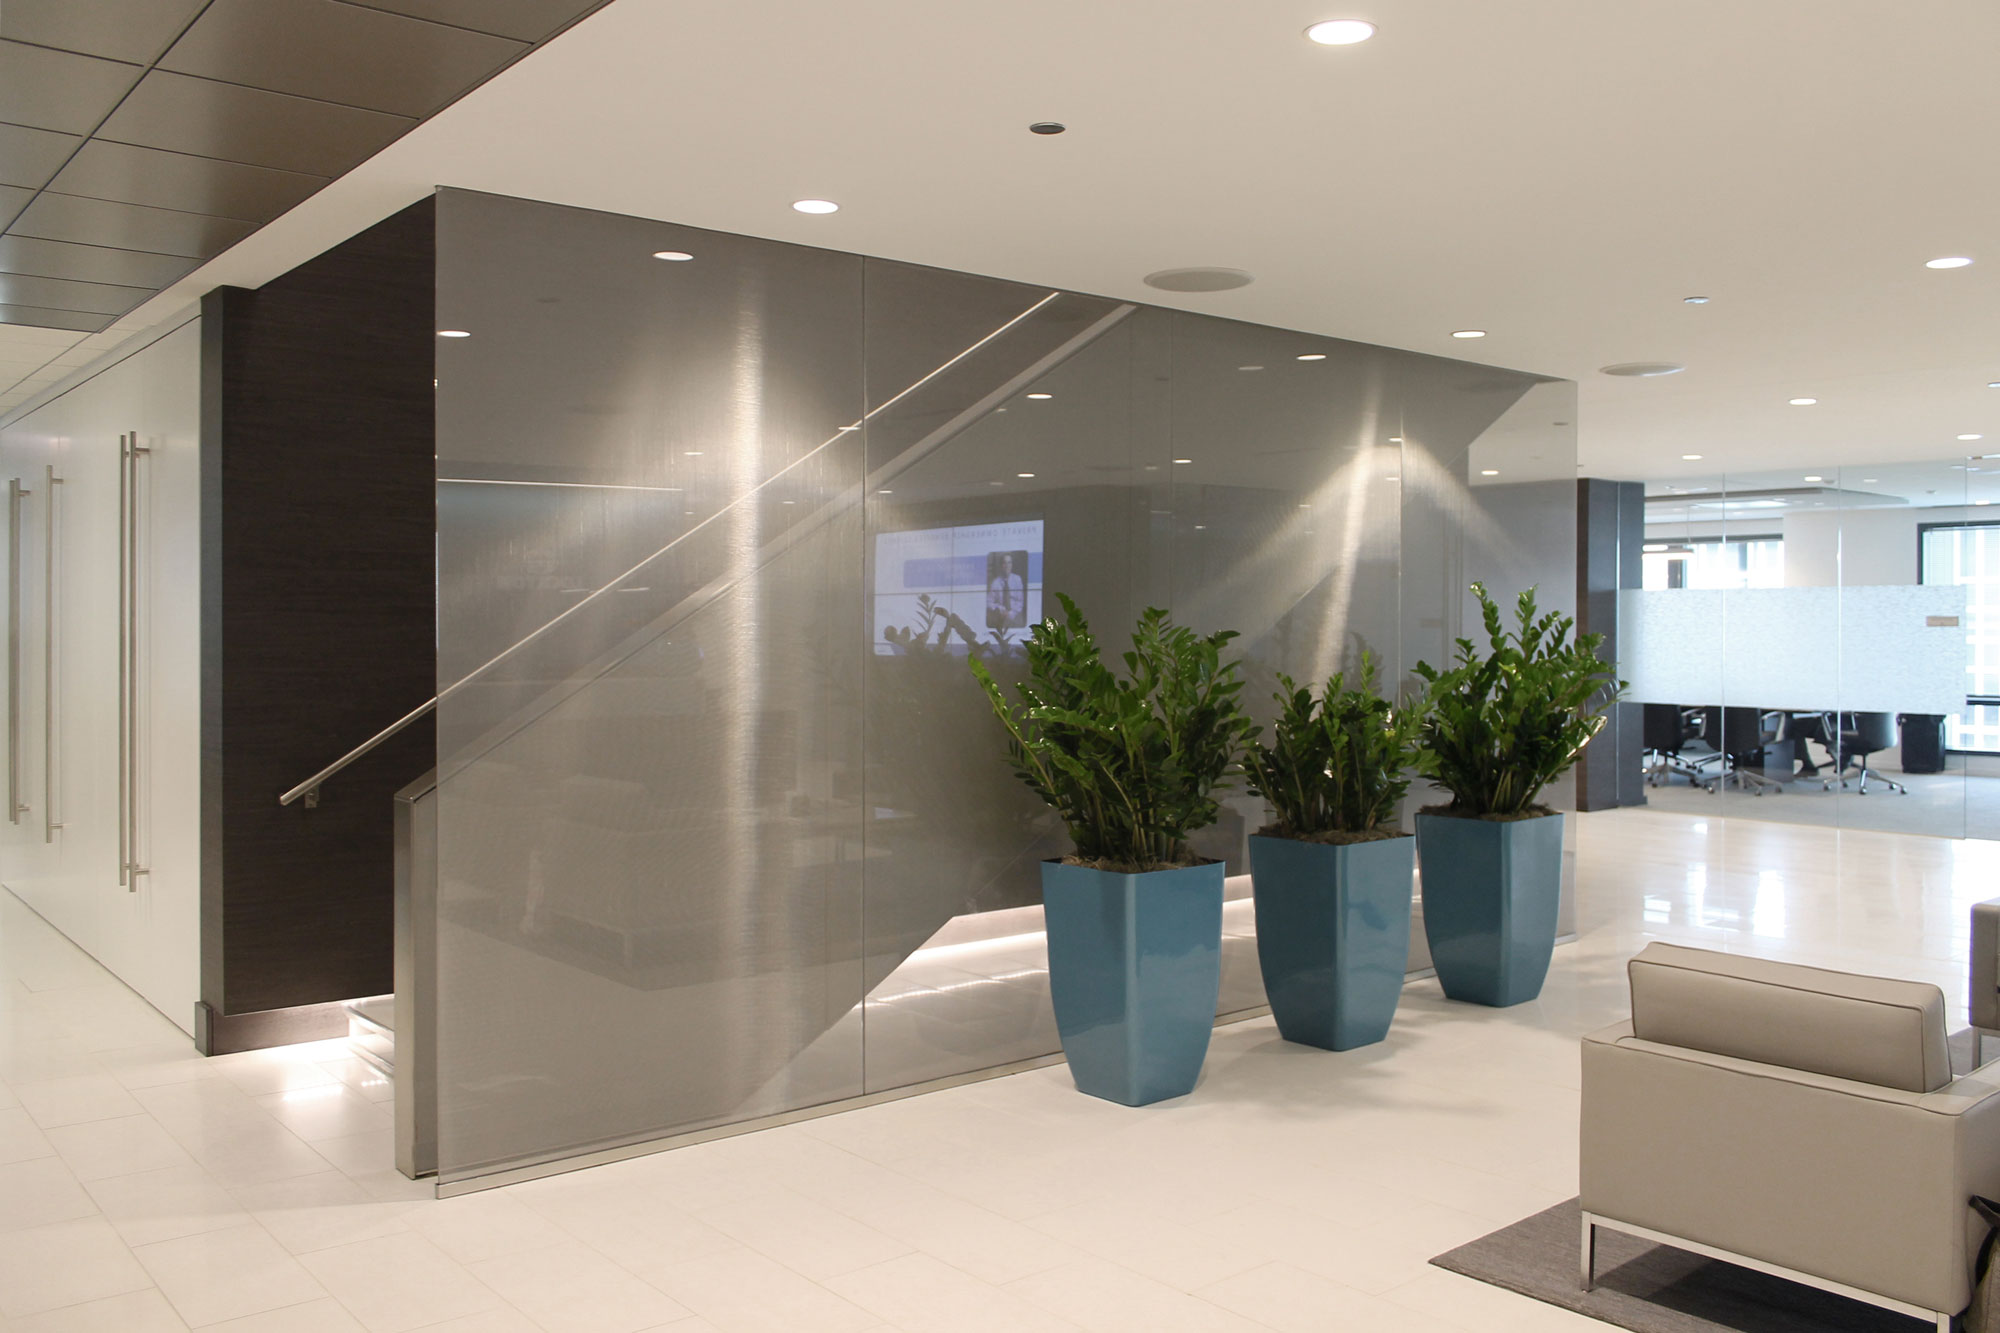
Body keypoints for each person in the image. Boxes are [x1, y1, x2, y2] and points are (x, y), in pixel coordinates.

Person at [986, 552, 1026, 629]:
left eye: (1009, 563)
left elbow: (1021, 601)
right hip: (1000, 618)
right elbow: (988, 602)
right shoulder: (995, 583)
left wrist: (1011, 614)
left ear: (1012, 565)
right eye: (1004, 563)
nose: (1007, 566)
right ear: (1001, 565)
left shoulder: (1017, 580)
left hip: (1015, 616)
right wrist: (1000, 609)